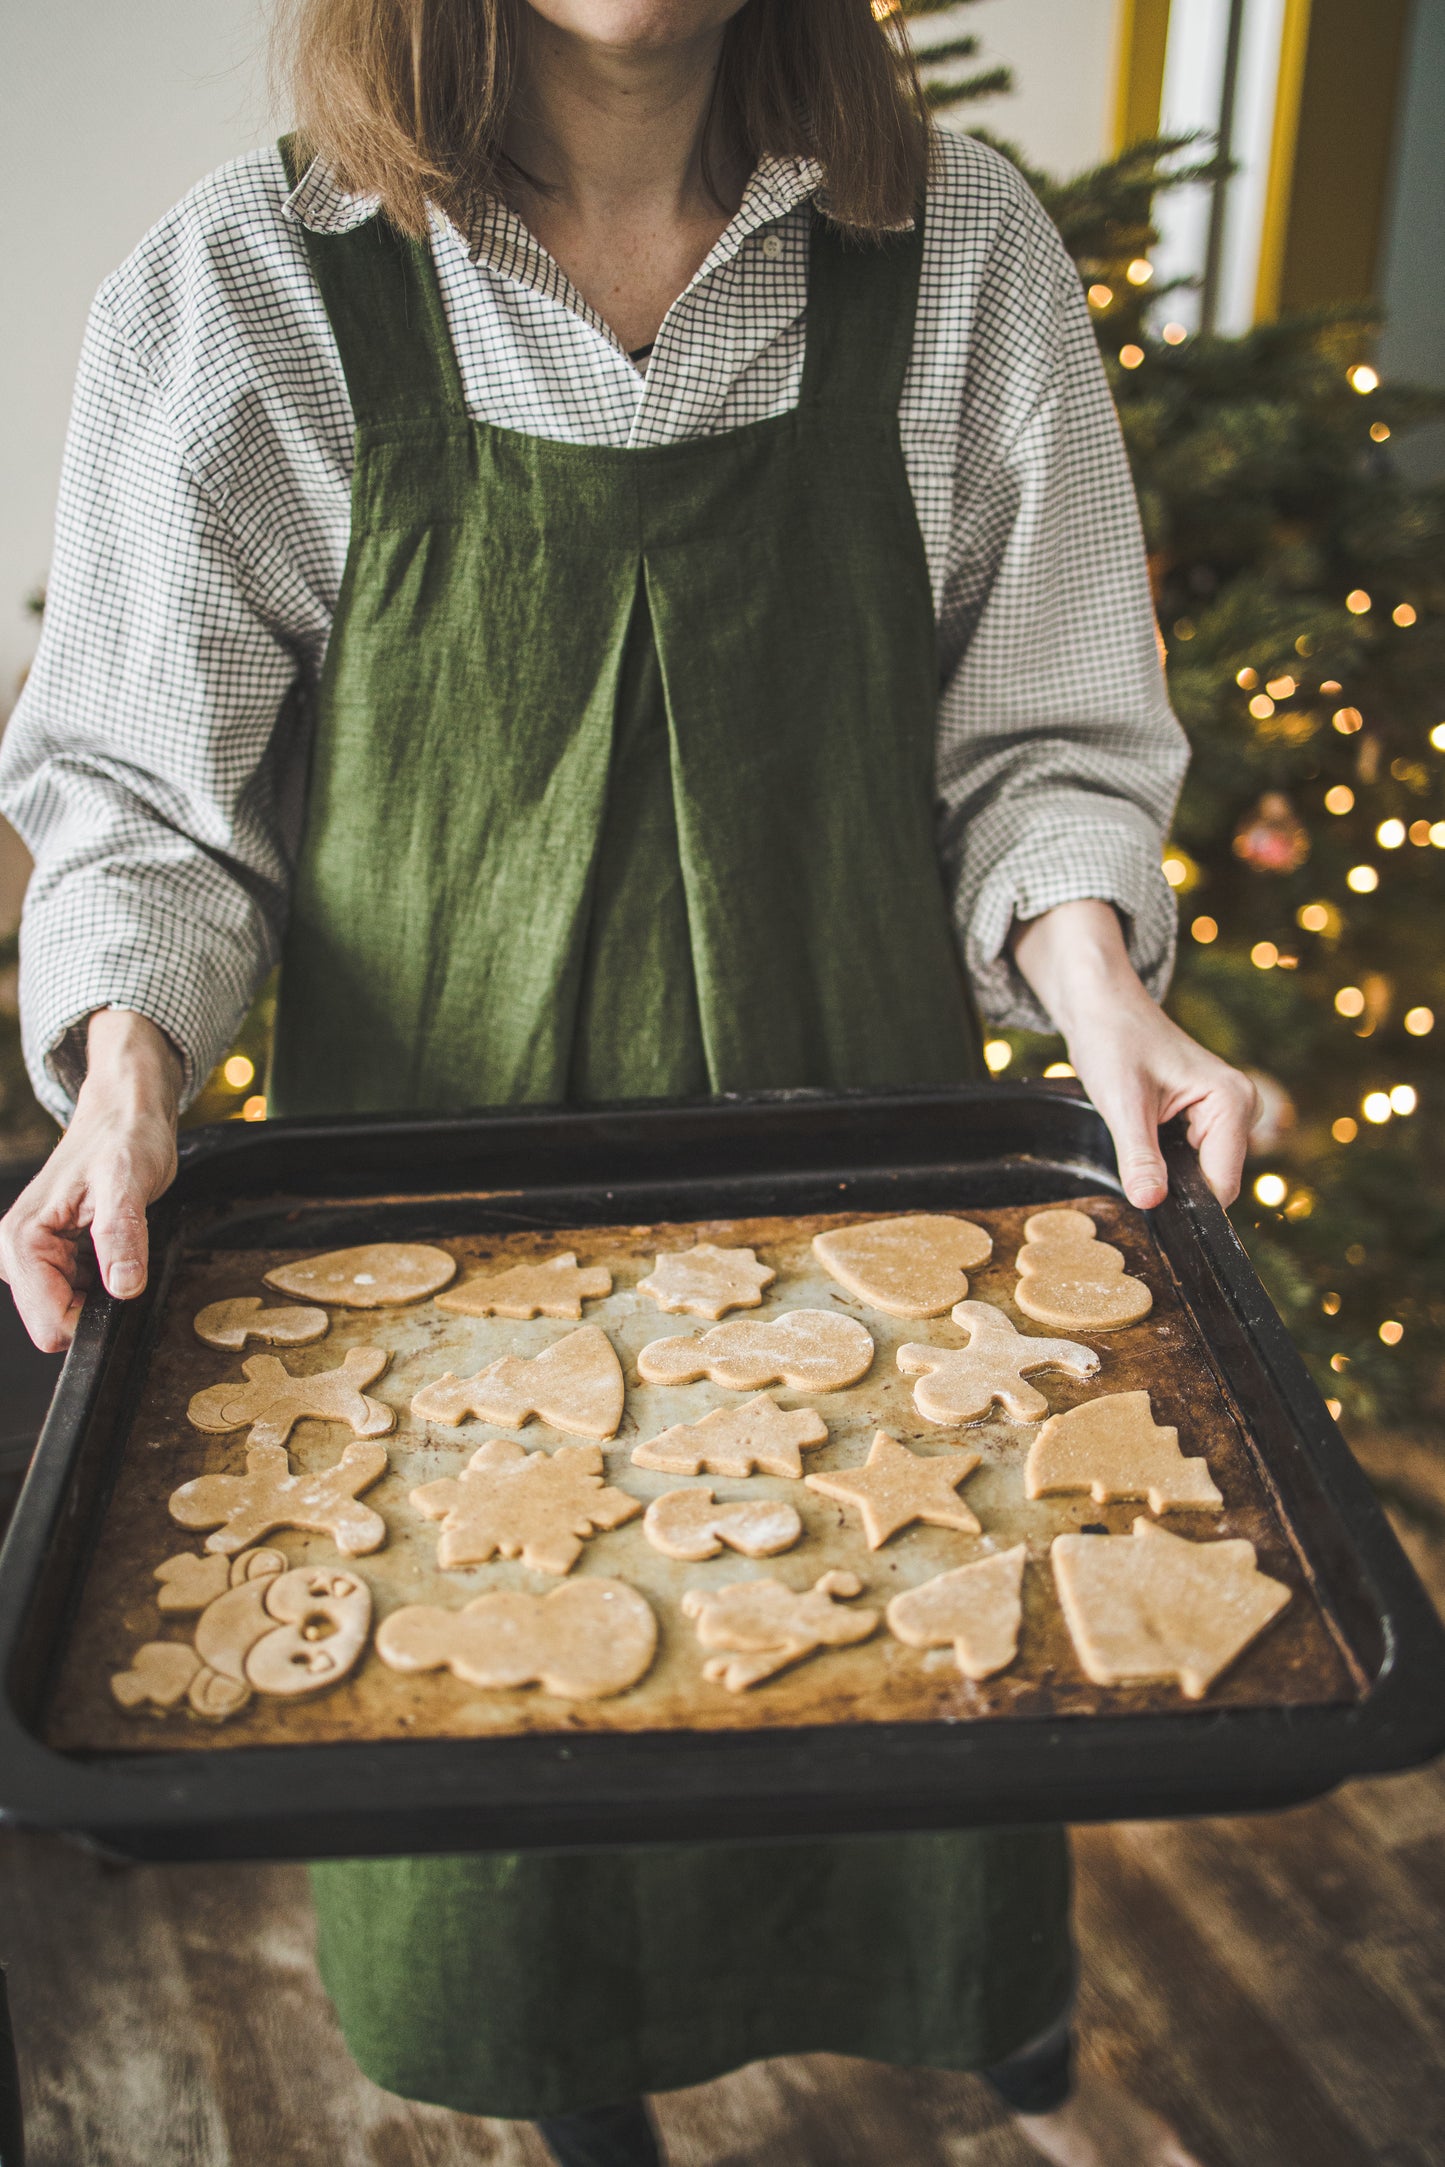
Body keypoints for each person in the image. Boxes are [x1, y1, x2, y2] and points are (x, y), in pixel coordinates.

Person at [0, 0, 1253, 2160]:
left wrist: (1100, 993)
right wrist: (123, 1076)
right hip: (437, 1257)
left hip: (884, 1217)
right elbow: (150, 806)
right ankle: (571, 2080)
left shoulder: (956, 248)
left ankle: (983, 2015)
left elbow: (1043, 736)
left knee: (912, 1656)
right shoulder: (252, 281)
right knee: (509, 1760)